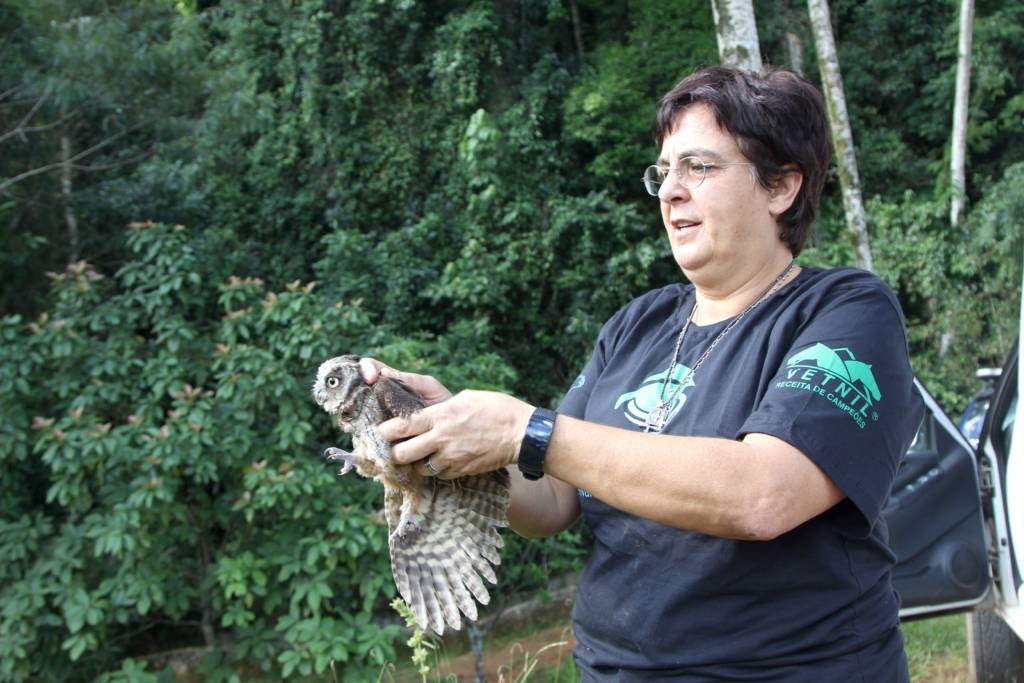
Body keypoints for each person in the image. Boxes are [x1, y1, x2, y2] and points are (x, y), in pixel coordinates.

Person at [358, 66, 924, 681]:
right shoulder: (638, 324)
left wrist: (529, 431)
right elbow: (550, 501)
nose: (669, 191)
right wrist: (449, 432)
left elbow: (764, 496)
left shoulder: (845, 311)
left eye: (699, 168)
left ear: (781, 185)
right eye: (663, 171)